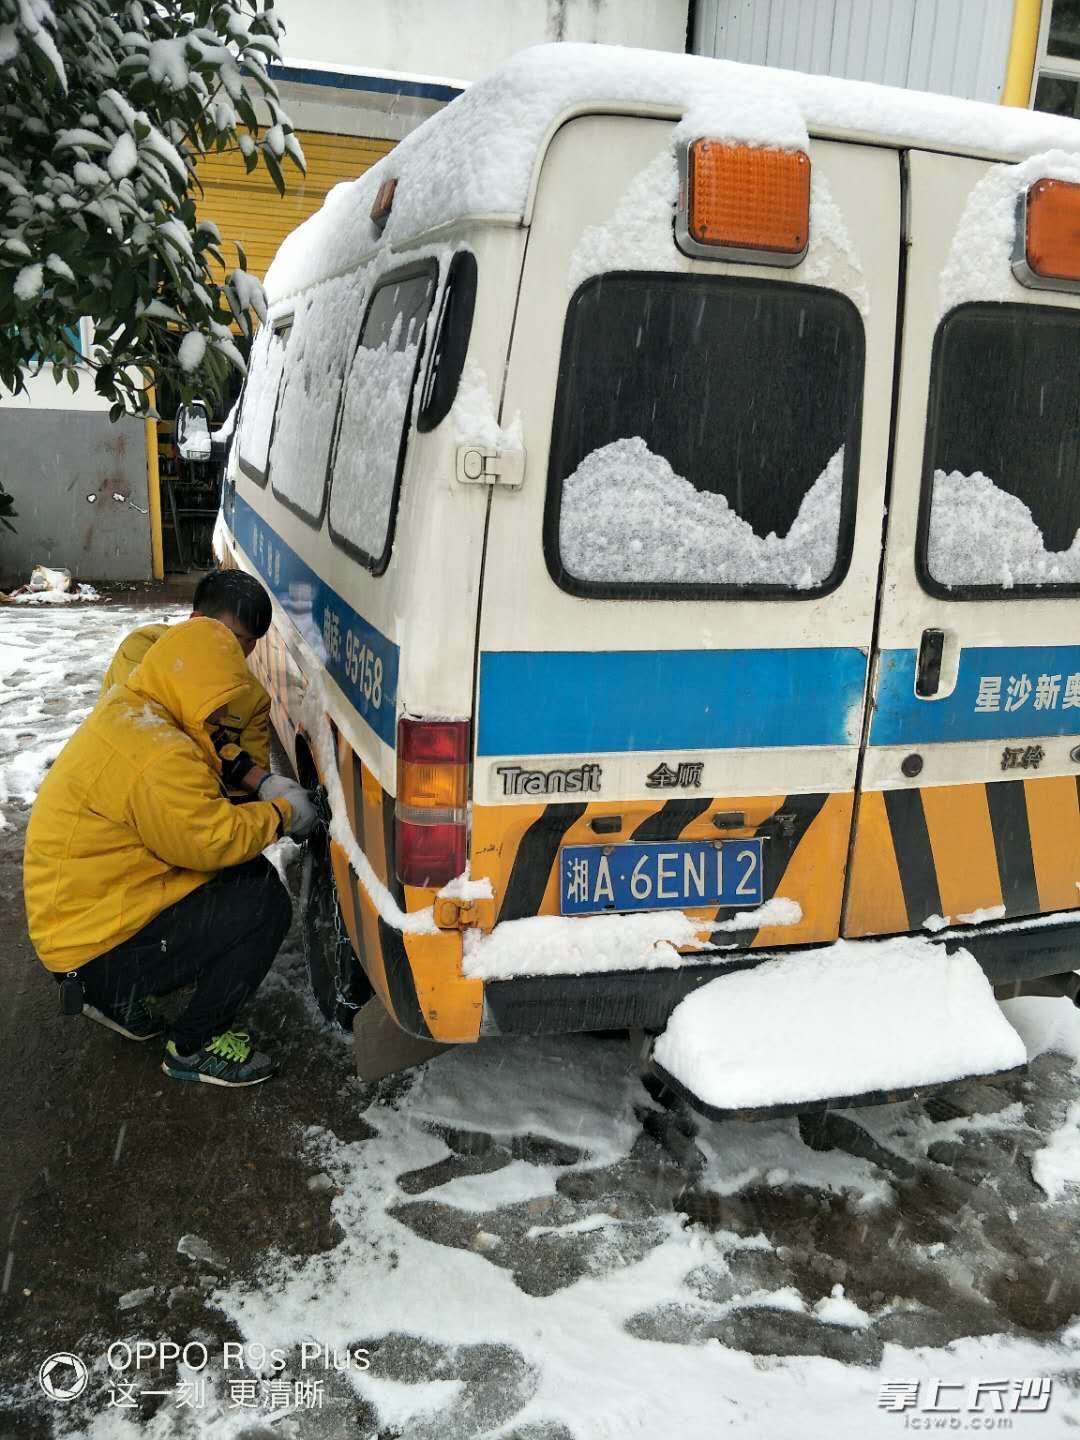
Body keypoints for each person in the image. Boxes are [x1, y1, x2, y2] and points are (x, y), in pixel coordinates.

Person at [23, 616, 317, 1087]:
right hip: (94, 939)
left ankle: (109, 994)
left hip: (78, 920)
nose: (223, 717)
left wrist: (258, 783)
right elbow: (210, 840)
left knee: (241, 875)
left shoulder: (136, 708)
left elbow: (194, 815)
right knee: (263, 903)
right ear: (196, 688)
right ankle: (194, 1046)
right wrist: (282, 814)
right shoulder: (158, 754)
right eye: (218, 703)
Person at [102, 568, 273, 795]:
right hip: (120, 791)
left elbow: (251, 788)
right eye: (233, 636)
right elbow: (147, 728)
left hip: (191, 805)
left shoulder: (253, 697)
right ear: (197, 621)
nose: (241, 650)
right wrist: (239, 766)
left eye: (251, 641)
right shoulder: (143, 648)